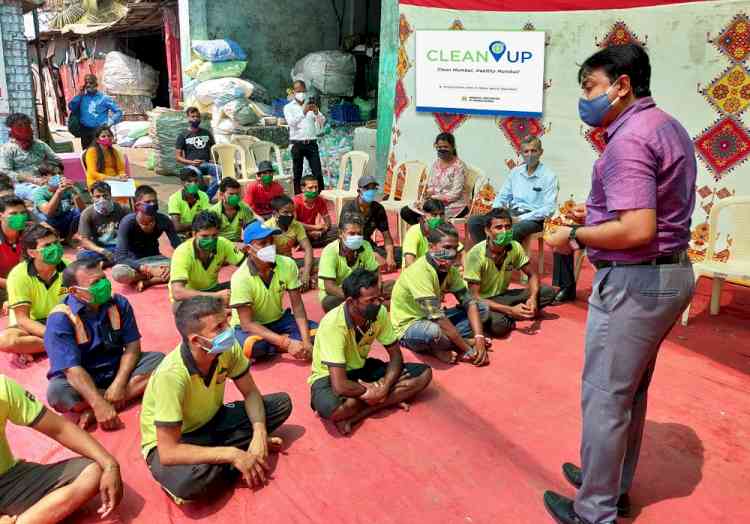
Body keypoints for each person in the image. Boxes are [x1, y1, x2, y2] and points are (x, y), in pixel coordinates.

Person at [541, 44, 697, 524]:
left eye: (590, 87)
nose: (585, 98)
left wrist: (574, 235)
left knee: (606, 397)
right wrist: (597, 214)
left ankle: (595, 511)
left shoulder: (628, 139)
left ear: (621, 84)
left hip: (636, 279)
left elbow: (636, 230)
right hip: (669, 274)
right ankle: (607, 484)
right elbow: (651, 208)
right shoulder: (666, 125)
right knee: (629, 392)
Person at [139, 296, 293, 504]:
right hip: (175, 441)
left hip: (212, 421)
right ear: (196, 340)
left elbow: (251, 393)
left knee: (280, 404)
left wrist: (258, 433)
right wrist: (233, 455)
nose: (229, 330)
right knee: (191, 482)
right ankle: (238, 456)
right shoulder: (172, 375)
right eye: (219, 327)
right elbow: (168, 452)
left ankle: (240, 452)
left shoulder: (227, 349)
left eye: (226, 321)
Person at [309, 268, 432, 436]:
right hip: (329, 376)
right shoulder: (333, 324)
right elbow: (340, 384)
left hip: (362, 368)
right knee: (335, 409)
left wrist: (384, 387)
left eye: (379, 298)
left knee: (424, 374)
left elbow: (396, 355)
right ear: (352, 302)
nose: (379, 304)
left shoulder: (379, 312)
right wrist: (369, 391)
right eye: (371, 300)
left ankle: (359, 415)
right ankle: (388, 400)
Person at [44, 259, 165, 430]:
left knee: (160, 361)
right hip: (83, 379)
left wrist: (119, 384)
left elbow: (132, 345)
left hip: (117, 370)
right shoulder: (60, 318)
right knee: (57, 393)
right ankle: (108, 401)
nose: (104, 284)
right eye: (95, 283)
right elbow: (72, 370)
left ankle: (101, 407)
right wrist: (97, 401)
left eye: (103, 278)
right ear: (75, 291)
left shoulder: (118, 302)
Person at [466, 135, 576, 303]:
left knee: (513, 230)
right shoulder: (515, 173)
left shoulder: (548, 176)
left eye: (533, 151)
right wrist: (496, 212)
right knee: (475, 222)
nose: (530, 154)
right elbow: (503, 196)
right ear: (521, 153)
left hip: (533, 218)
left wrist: (521, 217)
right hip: (511, 213)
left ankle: (503, 265)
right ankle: (488, 261)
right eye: (526, 151)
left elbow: (548, 209)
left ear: (541, 152)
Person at [0, 374, 122, 522]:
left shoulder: (3, 389)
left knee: (93, 472)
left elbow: (60, 428)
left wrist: (110, 464)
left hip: (9, 478)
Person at [390, 223, 490, 366]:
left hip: (433, 318)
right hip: (410, 326)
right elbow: (437, 318)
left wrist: (479, 338)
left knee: (482, 309)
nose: (452, 253)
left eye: (455, 248)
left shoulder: (450, 270)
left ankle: (446, 343)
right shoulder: (420, 271)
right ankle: (453, 343)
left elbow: (469, 302)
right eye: (447, 247)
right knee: (433, 331)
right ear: (431, 248)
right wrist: (469, 350)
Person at [230, 220, 317, 360]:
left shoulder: (287, 264)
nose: (269, 246)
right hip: (250, 327)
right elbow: (247, 323)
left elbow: (298, 305)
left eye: (271, 241)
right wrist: (286, 343)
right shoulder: (240, 278)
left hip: (279, 320)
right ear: (248, 249)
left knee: (317, 333)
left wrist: (306, 342)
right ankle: (282, 343)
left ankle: (280, 344)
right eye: (263, 243)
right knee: (254, 347)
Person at [465, 207, 556, 338]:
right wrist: (510, 310)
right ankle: (514, 314)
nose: (505, 231)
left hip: (504, 296)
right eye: (499, 227)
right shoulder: (476, 255)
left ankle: (517, 312)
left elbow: (532, 274)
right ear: (487, 231)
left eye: (508, 227)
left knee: (548, 292)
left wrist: (533, 298)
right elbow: (475, 298)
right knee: (498, 326)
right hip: (484, 302)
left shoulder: (514, 247)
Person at [0, 225, 66, 363]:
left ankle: (35, 348)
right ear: (32, 253)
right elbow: (23, 319)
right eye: (47, 245)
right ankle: (63, 343)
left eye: (56, 243)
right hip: (33, 322)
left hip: (61, 319)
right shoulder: (18, 275)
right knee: (6, 341)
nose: (55, 247)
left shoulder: (69, 269)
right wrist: (55, 336)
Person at [318, 212, 392, 313]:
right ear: (340, 234)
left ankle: (371, 304)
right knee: (329, 303)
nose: (356, 237)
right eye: (352, 233)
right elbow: (330, 287)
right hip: (340, 293)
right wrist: (357, 298)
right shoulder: (329, 251)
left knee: (395, 286)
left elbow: (376, 273)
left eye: (359, 233)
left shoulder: (365, 246)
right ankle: (382, 306)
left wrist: (376, 291)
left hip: (364, 288)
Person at [112, 185, 181, 291]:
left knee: (187, 266)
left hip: (158, 260)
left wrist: (175, 264)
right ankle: (160, 276)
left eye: (155, 201)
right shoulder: (127, 222)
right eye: (148, 202)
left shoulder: (164, 220)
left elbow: (179, 247)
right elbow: (120, 257)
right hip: (135, 264)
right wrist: (149, 270)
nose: (153, 204)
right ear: (138, 205)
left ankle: (149, 281)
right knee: (118, 273)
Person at [169, 211, 245, 306]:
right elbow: (178, 292)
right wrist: (216, 296)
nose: (210, 240)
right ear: (194, 234)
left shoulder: (223, 243)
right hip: (189, 296)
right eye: (204, 236)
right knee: (183, 308)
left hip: (213, 289)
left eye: (214, 236)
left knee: (245, 286)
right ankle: (221, 309)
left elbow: (247, 266)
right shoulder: (182, 252)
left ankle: (220, 309)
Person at [400, 132, 468, 225]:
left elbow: (455, 194)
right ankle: (425, 234)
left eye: (445, 147)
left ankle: (432, 236)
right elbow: (432, 185)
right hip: (435, 202)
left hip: (455, 205)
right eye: (439, 147)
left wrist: (434, 198)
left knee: (430, 216)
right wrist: (427, 193)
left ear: (453, 147)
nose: (442, 150)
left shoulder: (459, 166)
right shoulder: (436, 163)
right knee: (406, 211)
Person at [339, 175, 400, 271]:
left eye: (373, 188)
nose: (371, 191)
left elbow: (387, 237)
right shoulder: (349, 208)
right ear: (359, 191)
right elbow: (344, 239)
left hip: (368, 244)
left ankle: (371, 262)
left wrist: (390, 256)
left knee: (401, 254)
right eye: (367, 188)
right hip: (351, 246)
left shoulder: (378, 209)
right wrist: (371, 254)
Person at [0, 113, 61, 202]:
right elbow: (5, 172)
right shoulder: (7, 149)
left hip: (45, 180)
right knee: (41, 194)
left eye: (27, 125)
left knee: (69, 189)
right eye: (20, 126)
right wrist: (31, 179)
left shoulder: (40, 145)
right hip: (22, 185)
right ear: (13, 131)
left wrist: (49, 174)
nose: (25, 129)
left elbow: (56, 161)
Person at [264, 195, 315, 290]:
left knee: (319, 263)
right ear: (275, 213)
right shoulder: (267, 228)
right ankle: (297, 280)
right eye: (285, 212)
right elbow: (267, 259)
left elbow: (308, 248)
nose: (290, 215)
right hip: (273, 265)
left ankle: (299, 278)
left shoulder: (297, 225)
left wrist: (306, 272)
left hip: (291, 262)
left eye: (292, 212)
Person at [284, 80, 325, 194]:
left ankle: (321, 195)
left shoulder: (310, 105)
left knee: (317, 172)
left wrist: (317, 112)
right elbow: (291, 123)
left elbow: (322, 122)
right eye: (298, 90)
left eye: (303, 90)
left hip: (311, 143)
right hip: (297, 144)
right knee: (297, 172)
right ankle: (298, 197)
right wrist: (303, 112)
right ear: (293, 92)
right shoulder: (288, 107)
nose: (301, 93)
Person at [77, 181, 128, 268]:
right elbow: (84, 240)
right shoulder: (87, 213)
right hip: (101, 249)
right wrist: (102, 250)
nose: (102, 199)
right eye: (98, 196)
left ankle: (104, 264)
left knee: (135, 249)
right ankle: (121, 261)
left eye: (105, 196)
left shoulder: (123, 209)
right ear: (92, 197)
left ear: (110, 195)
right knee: (82, 256)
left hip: (121, 246)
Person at [175, 106, 220, 199]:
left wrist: (213, 160)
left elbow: (214, 149)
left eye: (197, 116)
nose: (196, 119)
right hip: (191, 165)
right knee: (197, 175)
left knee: (219, 171)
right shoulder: (182, 135)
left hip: (206, 163)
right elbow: (178, 157)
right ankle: (201, 197)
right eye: (193, 116)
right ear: (187, 118)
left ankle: (206, 197)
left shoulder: (206, 133)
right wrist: (191, 162)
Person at [68, 74, 123, 149]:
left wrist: (110, 122)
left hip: (101, 131)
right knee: (88, 155)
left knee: (104, 154)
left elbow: (118, 112)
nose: (88, 85)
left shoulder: (104, 98)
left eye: (91, 83)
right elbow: (71, 107)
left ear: (96, 84)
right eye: (86, 83)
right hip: (85, 131)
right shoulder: (82, 97)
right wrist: (79, 95)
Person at [32, 171, 85, 242]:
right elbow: (48, 212)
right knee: (44, 223)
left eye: (60, 174)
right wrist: (58, 192)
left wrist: (73, 191)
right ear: (45, 178)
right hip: (49, 223)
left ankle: (69, 238)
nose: (58, 176)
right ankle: (54, 240)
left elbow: (83, 210)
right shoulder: (39, 192)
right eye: (53, 174)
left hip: (64, 221)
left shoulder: (67, 188)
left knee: (78, 213)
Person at [0, 197, 30, 309]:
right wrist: (14, 285)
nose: (20, 217)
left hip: (25, 280)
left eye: (23, 213)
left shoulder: (32, 232)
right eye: (13, 213)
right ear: (0, 216)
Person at [293, 174, 336, 247]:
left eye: (316, 187)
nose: (314, 190)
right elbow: (293, 224)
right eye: (310, 188)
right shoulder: (295, 201)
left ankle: (306, 243)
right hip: (299, 232)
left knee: (339, 229)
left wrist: (321, 232)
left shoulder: (320, 200)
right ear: (302, 189)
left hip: (314, 232)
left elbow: (328, 223)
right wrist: (315, 227)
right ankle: (306, 242)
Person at [402, 198, 446, 268]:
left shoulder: (444, 231)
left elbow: (461, 252)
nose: (438, 218)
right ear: (424, 217)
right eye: (434, 215)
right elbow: (409, 262)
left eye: (441, 214)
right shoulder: (414, 232)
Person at [210, 177, 255, 242]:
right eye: (231, 194)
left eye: (237, 194)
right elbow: (211, 237)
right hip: (220, 245)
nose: (235, 197)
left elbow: (250, 229)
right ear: (221, 194)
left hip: (239, 243)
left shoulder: (244, 207)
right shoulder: (213, 212)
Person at [168, 168, 211, 236]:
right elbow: (177, 227)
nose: (193, 184)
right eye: (189, 181)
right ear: (182, 182)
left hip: (199, 233)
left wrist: (189, 226)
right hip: (182, 235)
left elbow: (207, 220)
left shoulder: (203, 195)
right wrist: (198, 223)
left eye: (196, 181)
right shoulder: (174, 198)